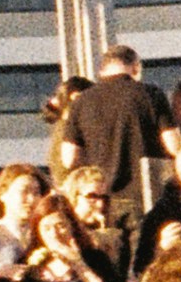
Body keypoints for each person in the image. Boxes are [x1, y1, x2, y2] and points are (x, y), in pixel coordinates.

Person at [56, 46, 173, 218]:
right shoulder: (151, 94)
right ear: (136, 68)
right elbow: (174, 145)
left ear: (102, 71)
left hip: (102, 198)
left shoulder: (81, 101)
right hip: (146, 196)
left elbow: (69, 158)